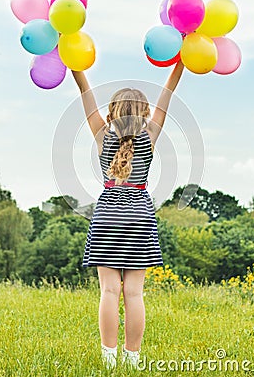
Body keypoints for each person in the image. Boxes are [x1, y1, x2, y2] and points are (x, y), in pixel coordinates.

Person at [72, 60, 184, 370]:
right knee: (134, 293)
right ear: (146, 115)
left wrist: (73, 63)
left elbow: (85, 90)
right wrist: (181, 64)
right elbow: (168, 91)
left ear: (111, 115)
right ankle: (132, 359)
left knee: (109, 290)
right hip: (140, 213)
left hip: (108, 211)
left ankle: (109, 360)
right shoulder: (151, 136)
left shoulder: (101, 135)